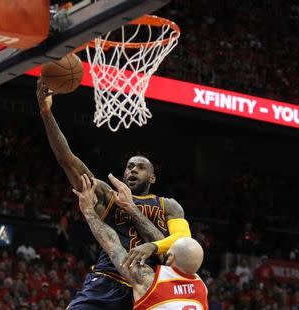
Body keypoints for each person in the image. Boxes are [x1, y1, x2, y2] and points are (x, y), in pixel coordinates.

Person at [36, 80, 192, 309]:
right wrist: (46, 111)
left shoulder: (169, 205)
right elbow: (67, 160)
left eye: (140, 167)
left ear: (152, 178)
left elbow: (183, 244)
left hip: (149, 286)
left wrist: (151, 243)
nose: (133, 170)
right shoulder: (109, 196)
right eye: (129, 166)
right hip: (108, 280)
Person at [73, 174, 208, 309]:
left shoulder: (151, 283)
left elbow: (113, 247)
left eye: (167, 251)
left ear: (171, 257)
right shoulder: (201, 288)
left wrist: (88, 211)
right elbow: (188, 253)